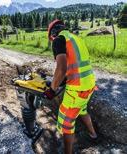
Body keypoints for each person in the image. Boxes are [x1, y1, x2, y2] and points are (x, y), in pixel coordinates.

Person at [44, 19, 98, 154]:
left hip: (77, 89)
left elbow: (61, 69)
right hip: (89, 85)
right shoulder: (76, 38)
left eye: (51, 38)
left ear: (53, 33)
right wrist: (61, 81)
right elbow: (77, 64)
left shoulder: (59, 40)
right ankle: (93, 135)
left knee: (66, 123)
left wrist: (52, 90)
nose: (52, 41)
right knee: (82, 110)